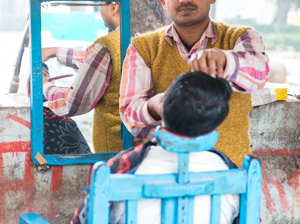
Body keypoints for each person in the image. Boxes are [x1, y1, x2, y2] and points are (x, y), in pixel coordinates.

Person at [119, 0, 269, 167]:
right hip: (164, 175)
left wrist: (225, 62)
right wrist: (158, 106)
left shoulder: (241, 37)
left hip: (229, 176)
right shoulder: (142, 48)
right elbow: (131, 118)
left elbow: (259, 74)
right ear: (163, 1)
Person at [71, 72, 240, 224]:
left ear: (162, 109)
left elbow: (83, 220)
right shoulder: (232, 172)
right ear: (215, 126)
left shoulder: (123, 166)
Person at [42, 0, 121, 153]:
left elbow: (71, 103)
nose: (99, 9)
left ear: (113, 6)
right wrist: (54, 51)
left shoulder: (106, 46)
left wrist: (45, 86)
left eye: (100, 4)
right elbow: (91, 58)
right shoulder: (137, 37)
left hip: (116, 151)